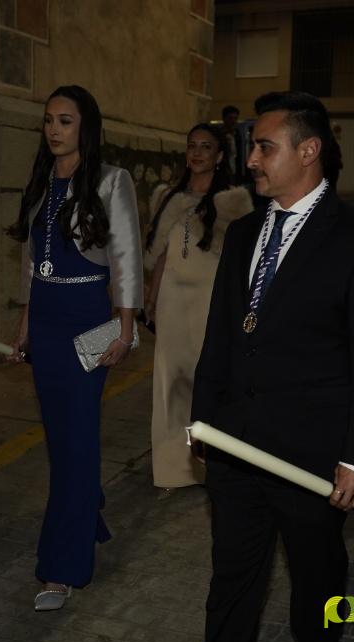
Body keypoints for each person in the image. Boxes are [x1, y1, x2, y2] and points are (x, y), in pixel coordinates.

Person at [189, 91, 354, 642]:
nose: (252, 159)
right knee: (231, 583)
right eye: (254, 146)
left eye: (264, 147)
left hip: (313, 458)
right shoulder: (243, 233)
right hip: (236, 445)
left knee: (318, 586)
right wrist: (204, 420)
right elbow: (222, 337)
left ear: (308, 151)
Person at [9, 85, 143, 611]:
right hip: (45, 318)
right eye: (48, 120)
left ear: (86, 126)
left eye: (65, 120)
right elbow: (31, 260)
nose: (54, 129)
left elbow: (128, 255)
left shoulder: (113, 181)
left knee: (77, 441)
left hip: (89, 319)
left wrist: (125, 326)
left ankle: (61, 567)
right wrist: (24, 321)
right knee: (63, 440)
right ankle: (85, 507)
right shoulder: (43, 179)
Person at [143, 124, 253, 494]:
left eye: (206, 147)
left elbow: (242, 264)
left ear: (219, 155)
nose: (198, 153)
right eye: (192, 146)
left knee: (208, 384)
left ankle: (211, 465)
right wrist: (152, 298)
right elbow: (159, 256)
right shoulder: (167, 198)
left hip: (211, 302)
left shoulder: (235, 202)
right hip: (173, 300)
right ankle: (174, 470)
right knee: (170, 384)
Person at [220, 105, 246, 185]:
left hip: (236, 170)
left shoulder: (237, 134)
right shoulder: (219, 134)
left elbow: (238, 154)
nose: (233, 121)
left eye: (235, 118)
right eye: (230, 118)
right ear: (224, 119)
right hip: (223, 171)